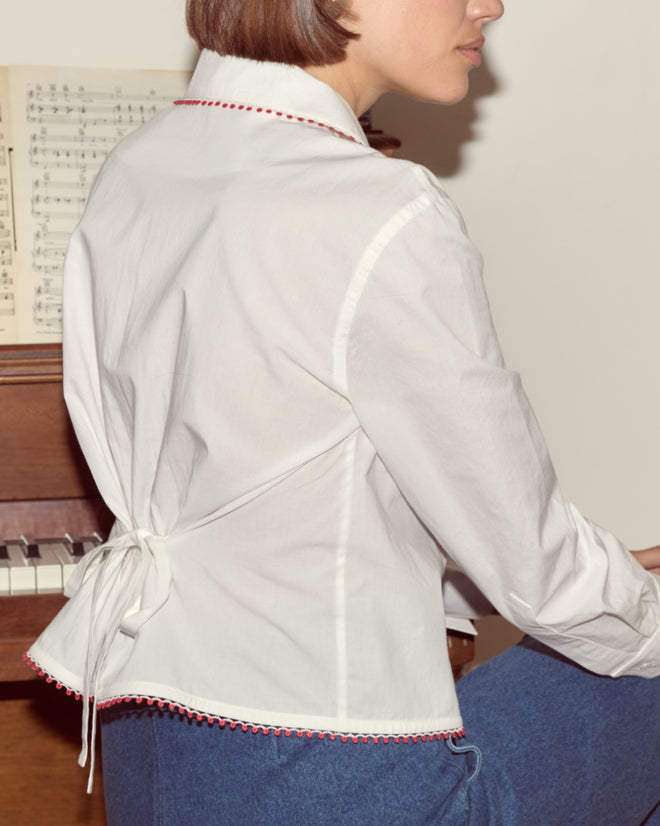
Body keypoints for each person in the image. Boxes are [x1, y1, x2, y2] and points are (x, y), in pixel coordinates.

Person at [28, 0, 660, 823]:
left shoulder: (142, 165)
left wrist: (601, 577)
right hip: (328, 786)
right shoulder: (383, 210)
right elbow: (535, 565)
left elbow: (306, 501)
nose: (491, 5)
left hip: (158, 769)